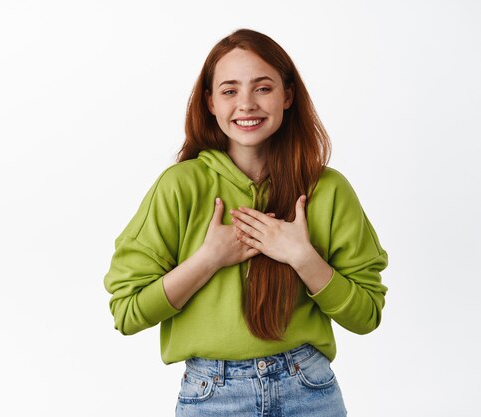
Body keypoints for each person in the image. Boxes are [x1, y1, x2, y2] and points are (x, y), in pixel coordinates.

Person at [103, 28, 388, 417]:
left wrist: (303, 258)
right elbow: (127, 311)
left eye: (263, 88)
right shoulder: (180, 186)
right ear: (210, 103)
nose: (247, 104)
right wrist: (208, 259)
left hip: (310, 389)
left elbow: (366, 315)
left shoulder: (329, 189)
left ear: (287, 95)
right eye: (230, 90)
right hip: (212, 395)